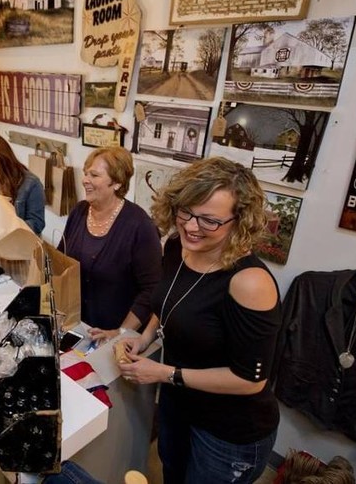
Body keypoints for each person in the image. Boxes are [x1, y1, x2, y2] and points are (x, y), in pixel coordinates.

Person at [118, 157, 281, 484]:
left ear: (239, 221)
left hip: (229, 432)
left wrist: (164, 373)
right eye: (186, 211)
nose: (192, 227)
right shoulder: (177, 246)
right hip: (179, 406)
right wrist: (146, 337)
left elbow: (251, 380)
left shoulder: (249, 283)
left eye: (209, 221)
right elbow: (168, 301)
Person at [59, 147, 162, 336]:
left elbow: (151, 290)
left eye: (94, 175)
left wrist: (120, 332)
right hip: (75, 325)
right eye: (86, 173)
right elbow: (61, 260)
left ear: (117, 182)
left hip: (113, 334)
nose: (85, 180)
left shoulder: (140, 227)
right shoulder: (79, 211)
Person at [0, 133, 45, 235]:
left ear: (1, 163)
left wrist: (8, 228)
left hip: (20, 246)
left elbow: (37, 224)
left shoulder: (31, 184)